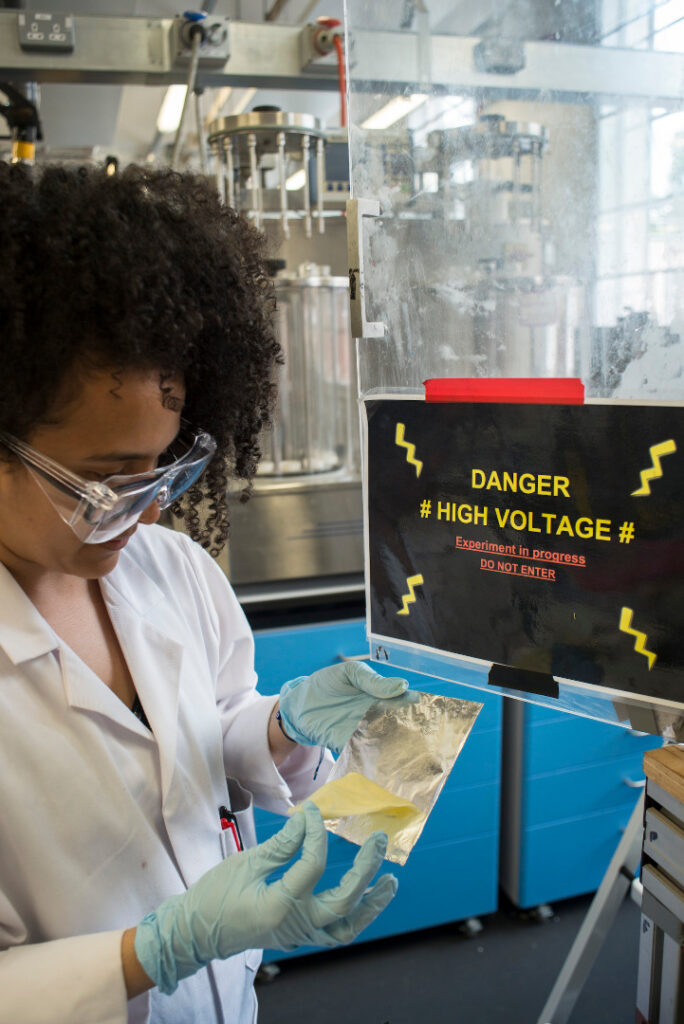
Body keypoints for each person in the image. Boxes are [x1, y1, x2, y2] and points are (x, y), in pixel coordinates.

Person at [0, 162, 410, 1024]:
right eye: (102, 481)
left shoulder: (171, 567)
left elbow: (206, 730)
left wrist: (279, 725)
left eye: (164, 467)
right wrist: (158, 949)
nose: (143, 510)